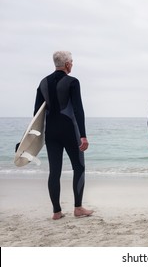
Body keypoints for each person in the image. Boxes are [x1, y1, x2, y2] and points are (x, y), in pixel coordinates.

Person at [34, 51, 93, 220]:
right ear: (67, 64)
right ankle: (78, 208)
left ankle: (56, 212)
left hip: (51, 132)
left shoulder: (43, 82)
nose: (72, 64)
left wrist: (35, 138)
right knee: (79, 167)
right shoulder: (72, 82)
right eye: (72, 62)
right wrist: (83, 135)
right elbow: (77, 109)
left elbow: (37, 114)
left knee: (54, 171)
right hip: (68, 129)